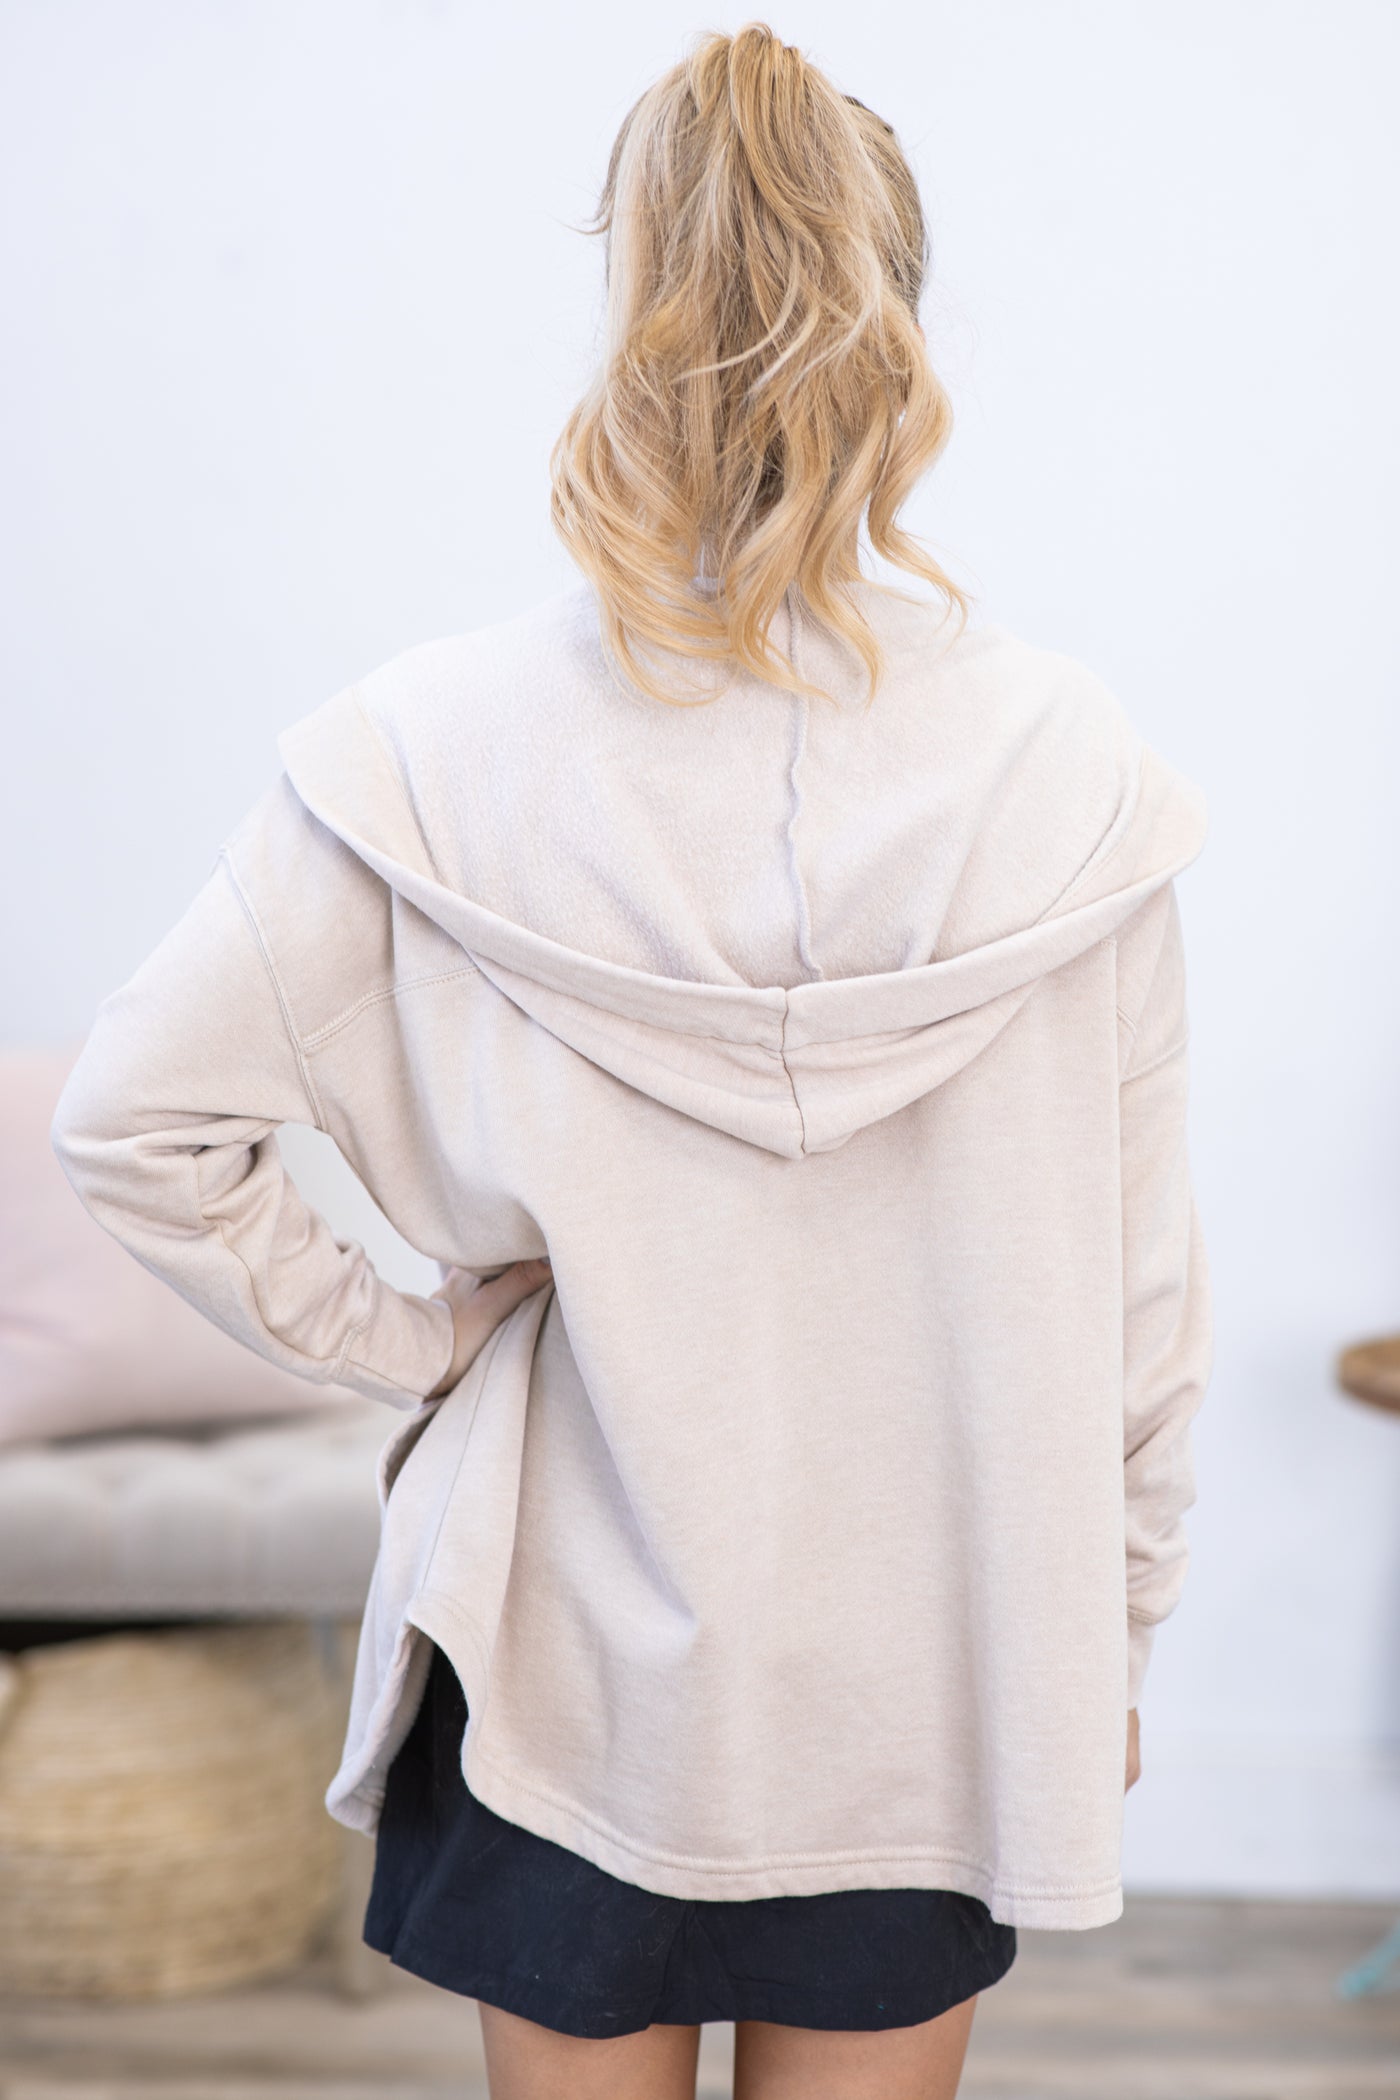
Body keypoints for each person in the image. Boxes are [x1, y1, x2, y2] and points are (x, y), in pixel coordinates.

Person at [49, 21, 1211, 2100]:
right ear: (898, 317)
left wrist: (413, 1335)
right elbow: (1139, 1300)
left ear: (634, 299)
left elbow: (138, 1120)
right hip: (928, 1667)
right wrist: (1102, 1637)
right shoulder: (1075, 776)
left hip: (559, 1672)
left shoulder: (427, 753)